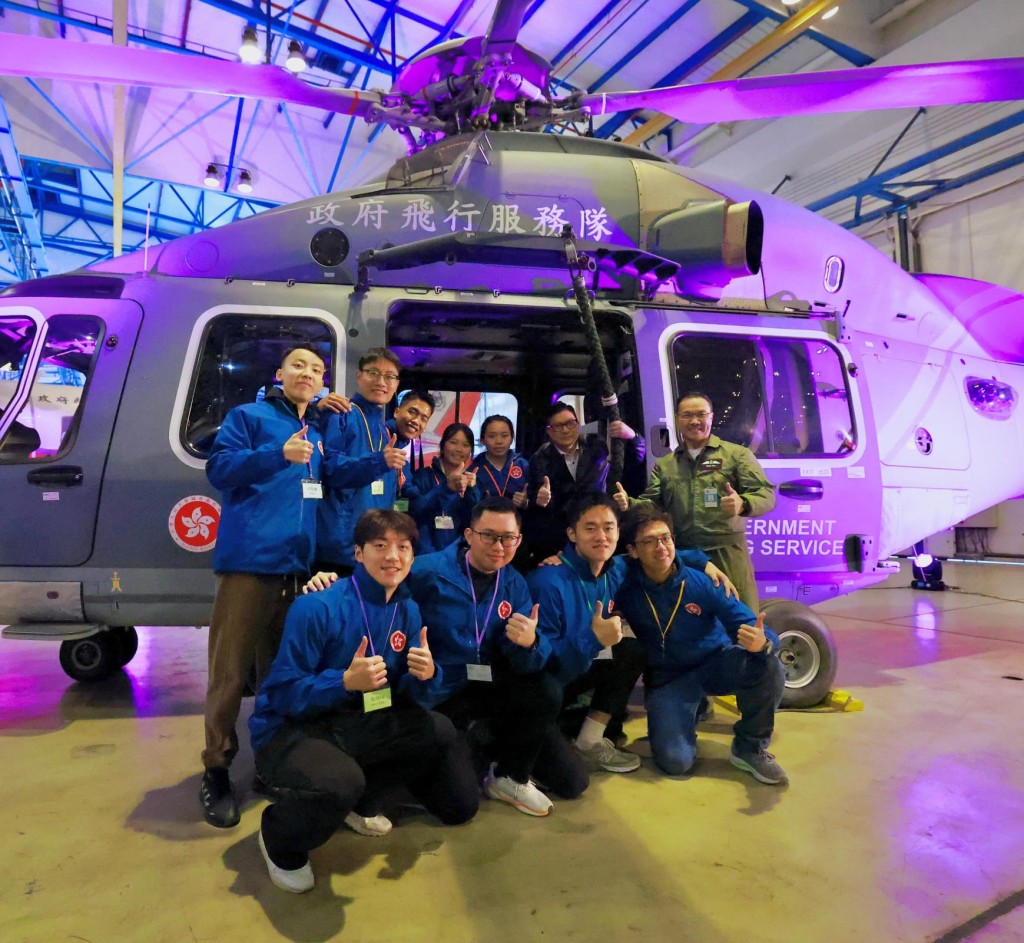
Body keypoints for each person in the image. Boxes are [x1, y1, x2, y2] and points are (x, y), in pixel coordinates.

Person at [249, 510, 478, 892]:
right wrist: (342, 681)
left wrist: (427, 675)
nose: (393, 556)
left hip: (358, 718)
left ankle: (361, 802)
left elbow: (408, 694)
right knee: (341, 782)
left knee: (435, 730)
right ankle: (278, 838)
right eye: (380, 545)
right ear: (358, 553)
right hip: (294, 728)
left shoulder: (407, 609)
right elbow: (282, 695)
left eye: (403, 547)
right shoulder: (317, 606)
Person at [200, 345, 326, 828]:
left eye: (316, 369)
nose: (307, 373)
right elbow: (219, 469)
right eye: (299, 365)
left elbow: (329, 481)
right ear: (279, 373)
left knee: (280, 676)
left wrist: (383, 462)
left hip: (296, 572)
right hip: (250, 567)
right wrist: (278, 454)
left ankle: (271, 763)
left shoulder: (316, 433)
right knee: (230, 673)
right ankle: (216, 769)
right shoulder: (248, 417)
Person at [529, 493, 738, 773]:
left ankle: (589, 740)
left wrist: (702, 561)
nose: (601, 536)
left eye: (608, 528)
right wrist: (593, 640)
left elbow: (656, 553)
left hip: (583, 664)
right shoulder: (547, 582)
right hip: (549, 684)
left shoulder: (615, 569)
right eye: (590, 528)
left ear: (618, 533)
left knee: (631, 650)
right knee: (571, 781)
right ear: (572, 534)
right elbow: (544, 664)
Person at [408, 496, 587, 816]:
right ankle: (468, 750)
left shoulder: (514, 583)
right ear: (468, 535)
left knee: (572, 779)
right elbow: (375, 589)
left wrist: (531, 643)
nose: (499, 546)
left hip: (491, 686)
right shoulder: (426, 571)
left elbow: (528, 663)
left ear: (519, 540)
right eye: (488, 536)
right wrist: (326, 582)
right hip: (442, 691)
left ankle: (508, 775)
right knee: (458, 806)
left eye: (508, 538)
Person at [617, 507, 788, 784]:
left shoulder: (704, 583)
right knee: (675, 763)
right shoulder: (626, 584)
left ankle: (750, 748)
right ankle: (687, 713)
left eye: (666, 538)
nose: (661, 547)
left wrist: (764, 642)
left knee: (768, 664)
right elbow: (596, 563)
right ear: (633, 551)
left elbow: (751, 623)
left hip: (715, 664)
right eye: (649, 541)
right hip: (668, 678)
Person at [618, 392, 775, 613]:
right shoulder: (665, 465)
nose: (694, 421)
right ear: (677, 420)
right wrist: (630, 504)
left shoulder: (737, 455)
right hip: (685, 556)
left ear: (711, 417)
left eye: (701, 414)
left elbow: (766, 494)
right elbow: (653, 505)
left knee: (739, 617)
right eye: (687, 415)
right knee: (687, 618)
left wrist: (743, 503)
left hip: (726, 554)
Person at [317, 348, 409, 573]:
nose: (381, 382)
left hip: (375, 546)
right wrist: (379, 461)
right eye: (373, 373)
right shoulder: (342, 413)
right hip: (341, 547)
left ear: (396, 384)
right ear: (359, 376)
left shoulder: (384, 430)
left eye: (389, 376)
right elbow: (331, 469)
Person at [525, 401, 645, 563]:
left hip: (600, 523)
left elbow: (636, 458)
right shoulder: (539, 460)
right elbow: (534, 502)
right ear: (549, 431)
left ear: (578, 424)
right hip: (562, 535)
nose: (566, 430)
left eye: (570, 423)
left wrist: (633, 436)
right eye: (558, 426)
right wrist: (540, 501)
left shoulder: (598, 448)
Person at [403, 422, 481, 552]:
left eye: (466, 445)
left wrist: (471, 490)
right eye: (453, 442)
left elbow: (475, 522)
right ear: (442, 445)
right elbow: (415, 512)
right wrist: (446, 488)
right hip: (426, 553)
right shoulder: (423, 476)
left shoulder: (471, 481)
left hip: (457, 553)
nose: (459, 449)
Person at [469, 414, 529, 509]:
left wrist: (527, 502)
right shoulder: (473, 470)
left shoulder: (524, 466)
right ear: (482, 440)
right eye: (492, 436)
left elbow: (536, 501)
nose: (499, 441)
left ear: (512, 439)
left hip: (517, 518)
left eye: (504, 436)